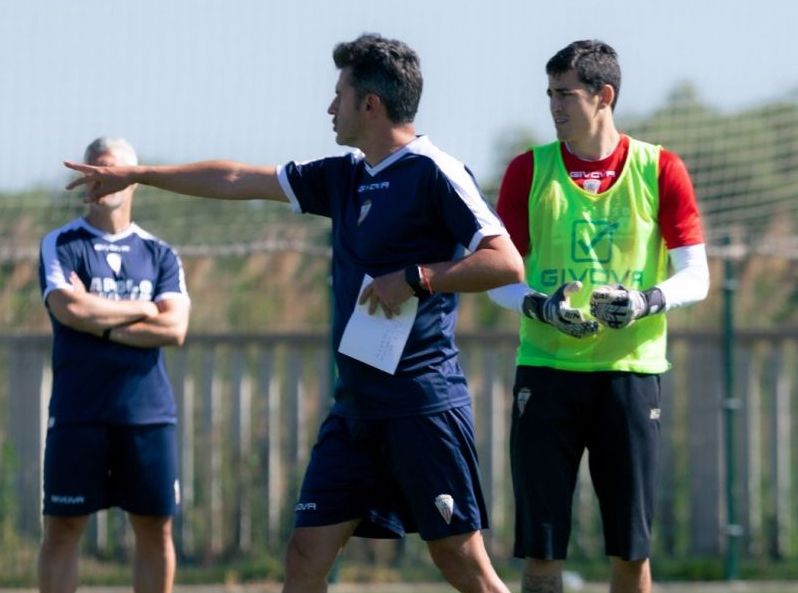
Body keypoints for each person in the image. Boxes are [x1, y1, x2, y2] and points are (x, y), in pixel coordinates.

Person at [64, 34, 524, 593]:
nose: (330, 107)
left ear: (370, 105)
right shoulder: (344, 175)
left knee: (460, 561)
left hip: (419, 404)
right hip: (355, 407)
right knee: (305, 555)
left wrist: (418, 277)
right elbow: (237, 178)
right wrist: (140, 175)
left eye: (339, 95)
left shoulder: (436, 172)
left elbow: (505, 263)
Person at [488, 40, 710, 593]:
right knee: (540, 556)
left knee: (630, 555)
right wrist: (540, 306)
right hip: (546, 374)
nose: (554, 106)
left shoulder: (661, 167)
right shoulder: (526, 171)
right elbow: (497, 279)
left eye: (565, 94)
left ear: (603, 96)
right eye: (549, 94)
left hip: (630, 378)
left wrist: (644, 302)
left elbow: (696, 276)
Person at [39, 137, 190, 593]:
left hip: (146, 416)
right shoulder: (61, 244)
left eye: (117, 170)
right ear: (87, 176)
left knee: (154, 529)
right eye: (98, 169)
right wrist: (142, 309)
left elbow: (174, 328)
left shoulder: (159, 253)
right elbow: (70, 311)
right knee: (63, 529)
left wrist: (101, 315)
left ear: (136, 178)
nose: (107, 179)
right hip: (78, 412)